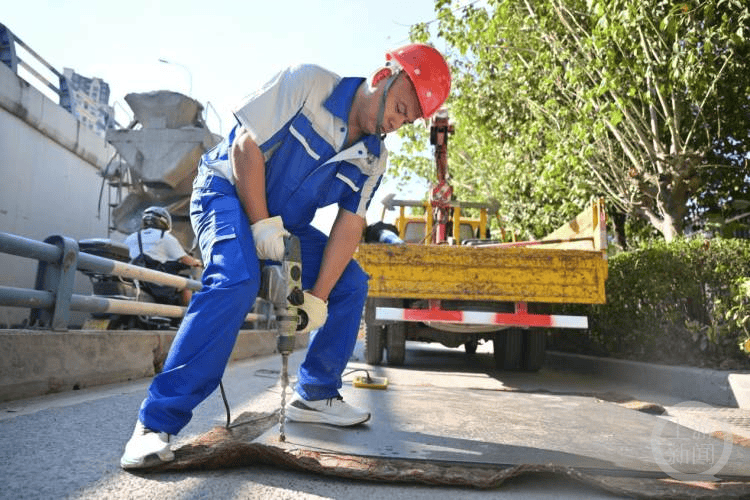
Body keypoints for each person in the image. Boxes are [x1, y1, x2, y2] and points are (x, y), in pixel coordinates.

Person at [120, 43, 451, 469]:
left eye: (408, 119)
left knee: (350, 285)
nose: (398, 122)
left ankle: (315, 394)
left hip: (282, 222)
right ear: (384, 77)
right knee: (235, 281)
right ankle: (155, 423)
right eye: (401, 108)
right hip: (227, 191)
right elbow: (244, 145)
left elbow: (349, 225)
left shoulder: (373, 157)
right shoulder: (308, 83)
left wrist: (317, 297)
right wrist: (260, 226)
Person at [123, 206, 203, 306]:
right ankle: (186, 315)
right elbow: (185, 259)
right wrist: (198, 262)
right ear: (164, 221)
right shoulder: (164, 237)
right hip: (155, 281)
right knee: (188, 282)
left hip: (133, 278)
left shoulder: (131, 237)